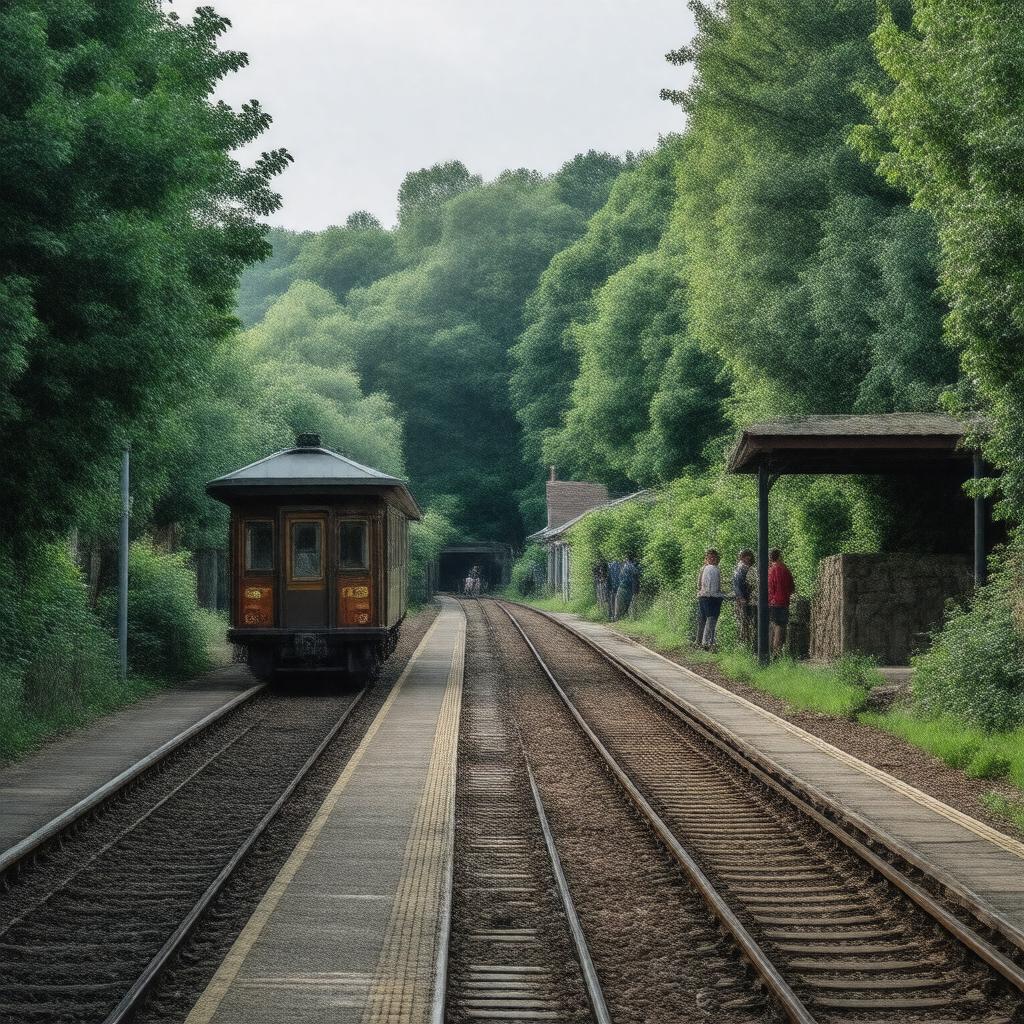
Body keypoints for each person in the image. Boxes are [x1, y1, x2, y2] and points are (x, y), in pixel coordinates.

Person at [767, 548, 795, 657]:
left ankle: (769, 650)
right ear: (779, 556)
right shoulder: (784, 570)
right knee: (780, 626)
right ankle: (776, 652)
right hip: (782, 601)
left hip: (771, 602)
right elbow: (791, 587)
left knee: (773, 624)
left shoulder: (769, 570)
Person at [697, 549, 727, 649]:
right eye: (710, 557)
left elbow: (699, 585)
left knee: (704, 619)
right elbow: (715, 586)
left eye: (714, 557)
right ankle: (707, 643)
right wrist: (721, 594)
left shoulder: (704, 568)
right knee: (711, 619)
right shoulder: (713, 569)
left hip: (704, 596)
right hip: (711, 597)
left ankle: (701, 642)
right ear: (707, 559)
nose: (712, 559)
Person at [732, 549, 755, 647]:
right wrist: (741, 598)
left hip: (743, 598)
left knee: (744, 620)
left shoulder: (740, 568)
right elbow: (737, 585)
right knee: (744, 620)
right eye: (746, 557)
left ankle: (744, 642)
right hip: (743, 599)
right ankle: (745, 643)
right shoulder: (742, 568)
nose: (748, 559)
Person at [614, 554, 640, 621]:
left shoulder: (626, 565)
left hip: (624, 586)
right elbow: (637, 574)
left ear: (627, 559)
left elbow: (620, 576)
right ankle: (626, 617)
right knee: (628, 602)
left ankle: (617, 617)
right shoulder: (634, 566)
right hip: (630, 587)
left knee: (619, 602)